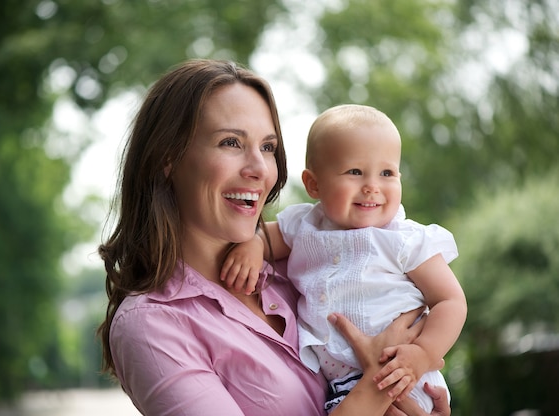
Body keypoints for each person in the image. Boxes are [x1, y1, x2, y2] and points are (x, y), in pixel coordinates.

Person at [98, 59, 452, 416]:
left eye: (268, 147)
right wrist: (380, 382)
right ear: (168, 158)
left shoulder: (303, 264)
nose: (259, 169)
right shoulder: (152, 325)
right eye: (231, 142)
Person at [222, 104, 467, 413]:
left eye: (387, 173)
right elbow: (266, 236)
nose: (372, 186)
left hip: (403, 374)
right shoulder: (304, 224)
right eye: (355, 171)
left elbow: (450, 301)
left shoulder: (404, 239)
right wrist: (253, 246)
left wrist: (422, 354)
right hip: (341, 386)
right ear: (313, 184)